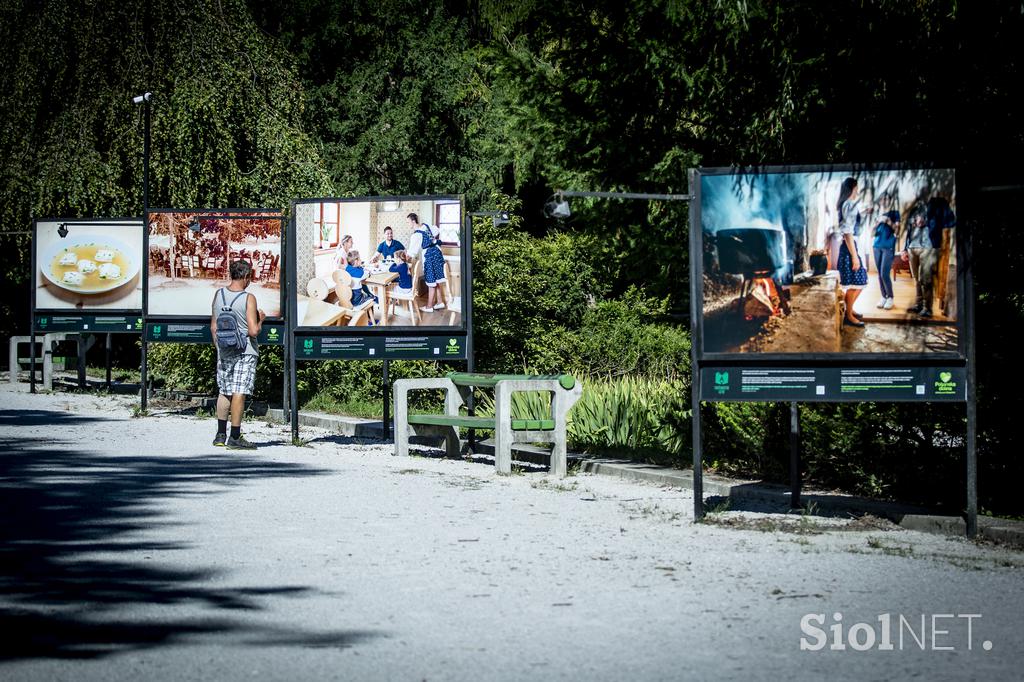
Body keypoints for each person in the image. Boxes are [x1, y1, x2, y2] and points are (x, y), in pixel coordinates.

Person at [209, 260, 264, 449]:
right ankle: (235, 436)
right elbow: (253, 331)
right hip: (244, 351)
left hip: (224, 350)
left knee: (224, 391)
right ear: (246, 277)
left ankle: (219, 435)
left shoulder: (219, 295)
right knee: (238, 391)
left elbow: (214, 326)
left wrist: (220, 348)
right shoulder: (248, 298)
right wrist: (261, 320)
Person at [900, 197, 955, 318]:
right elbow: (908, 230)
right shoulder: (914, 208)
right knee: (917, 279)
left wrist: (927, 220)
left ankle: (927, 308)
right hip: (912, 248)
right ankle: (918, 305)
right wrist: (904, 248)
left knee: (926, 279)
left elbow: (950, 222)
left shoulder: (937, 205)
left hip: (928, 247)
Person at [835, 177, 874, 328]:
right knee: (857, 283)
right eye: (857, 188)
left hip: (853, 245)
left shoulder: (848, 204)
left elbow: (850, 225)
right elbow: (847, 232)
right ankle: (848, 316)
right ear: (853, 188)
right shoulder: (849, 204)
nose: (858, 191)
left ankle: (848, 309)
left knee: (859, 282)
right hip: (851, 246)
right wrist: (854, 256)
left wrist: (863, 212)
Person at [405, 212, 447, 313]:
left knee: (431, 281)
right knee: (436, 280)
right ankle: (440, 302)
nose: (408, 224)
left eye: (408, 222)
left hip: (429, 256)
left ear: (413, 221)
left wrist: (404, 258)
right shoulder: (425, 226)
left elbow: (411, 253)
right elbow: (436, 231)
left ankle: (429, 306)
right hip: (437, 253)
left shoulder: (416, 235)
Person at [872, 210, 900, 310]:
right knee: (879, 274)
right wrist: (878, 222)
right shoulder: (878, 213)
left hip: (888, 246)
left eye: (886, 198)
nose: (884, 200)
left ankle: (890, 297)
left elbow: (897, 231)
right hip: (876, 246)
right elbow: (872, 232)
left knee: (884, 273)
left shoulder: (895, 213)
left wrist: (888, 221)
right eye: (882, 199)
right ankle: (884, 296)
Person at [345, 250, 378, 323]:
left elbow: (359, 269)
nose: (361, 260)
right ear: (356, 261)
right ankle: (370, 320)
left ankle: (367, 317)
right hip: (356, 300)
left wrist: (360, 267)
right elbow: (367, 274)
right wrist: (366, 270)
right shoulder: (360, 273)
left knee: (365, 293)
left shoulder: (347, 268)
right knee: (372, 297)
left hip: (347, 298)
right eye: (359, 259)